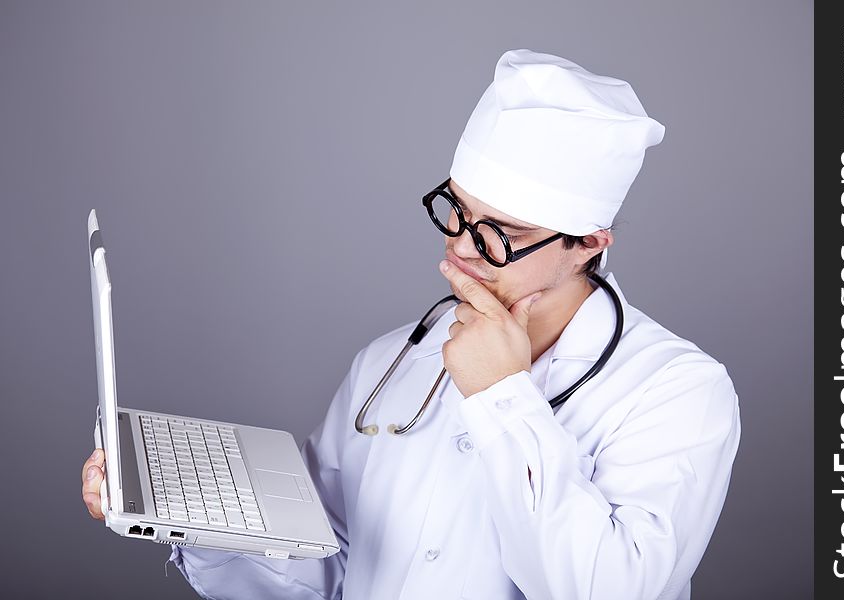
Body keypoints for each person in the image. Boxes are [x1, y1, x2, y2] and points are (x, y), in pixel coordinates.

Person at [81, 49, 741, 599]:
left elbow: (607, 588)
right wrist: (191, 515)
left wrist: (501, 397)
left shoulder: (680, 391)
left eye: (501, 234)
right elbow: (321, 570)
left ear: (590, 244)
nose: (459, 245)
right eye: (456, 209)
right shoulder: (392, 361)